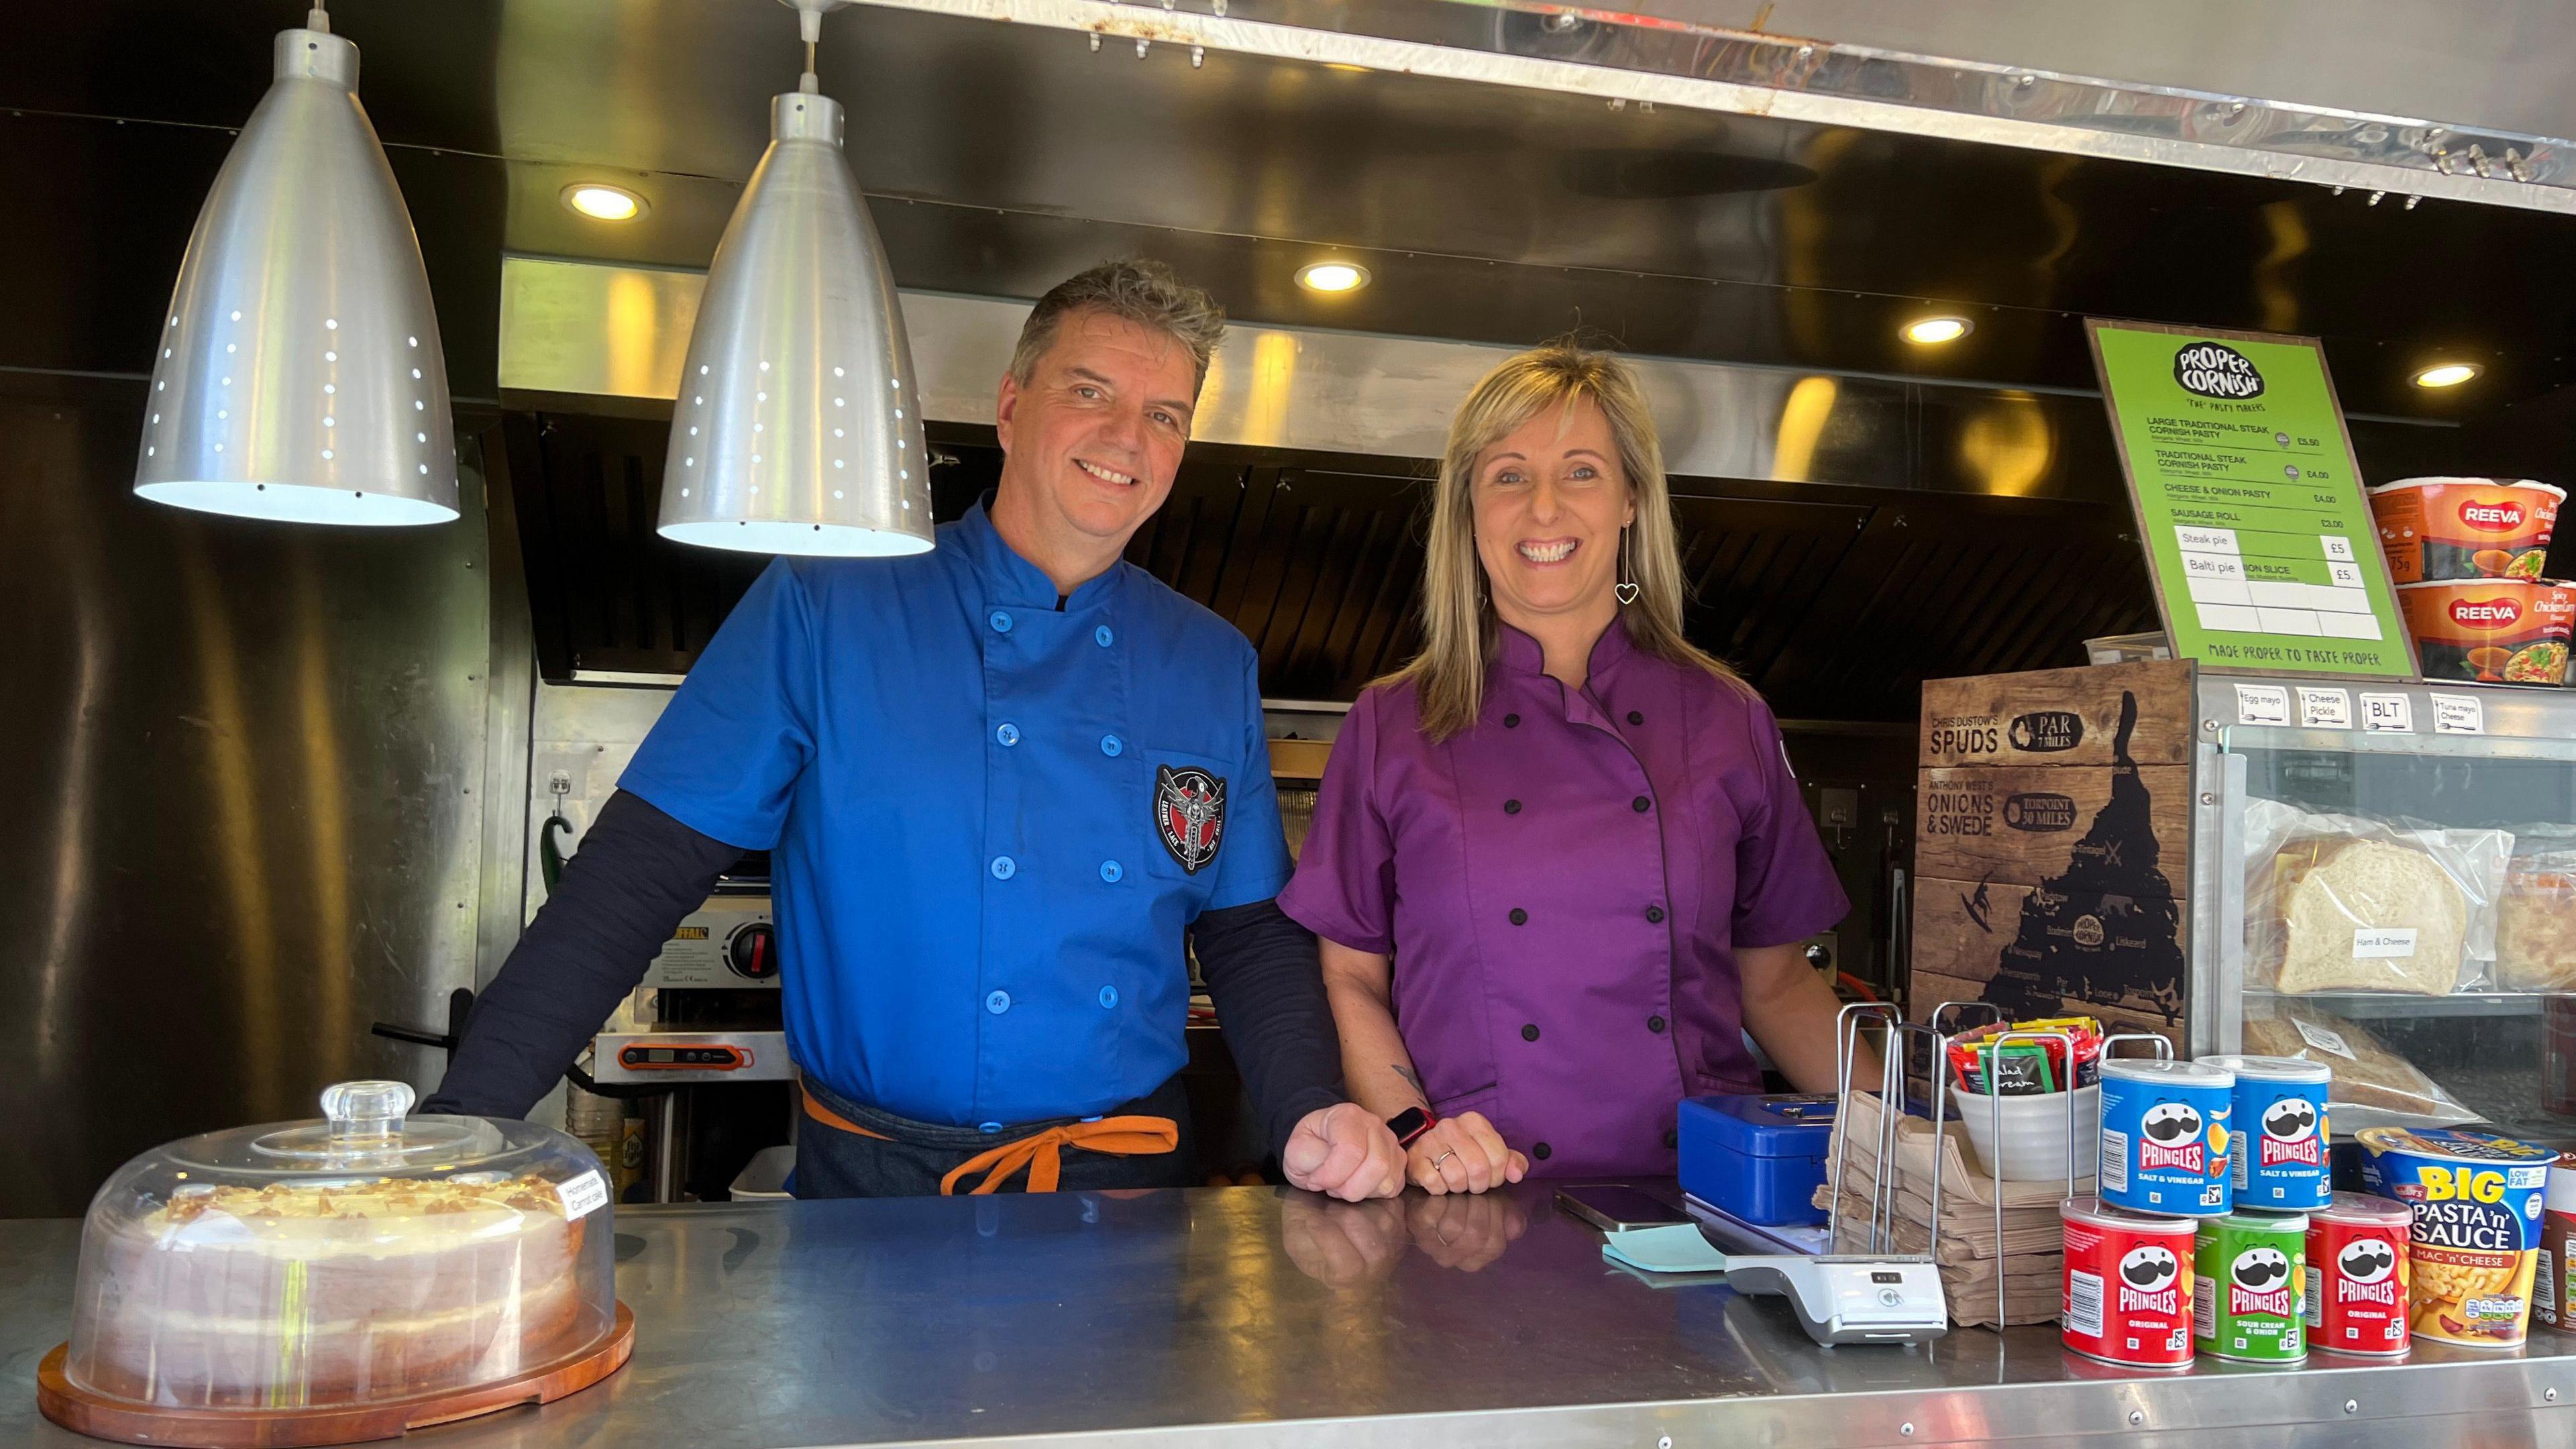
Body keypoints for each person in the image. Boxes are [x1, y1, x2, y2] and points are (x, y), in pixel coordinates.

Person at [427, 260, 1406, 1201]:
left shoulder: (1209, 658)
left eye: (1164, 415)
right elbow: (637, 873)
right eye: (1092, 392)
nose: (1128, 437)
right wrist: (464, 1129)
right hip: (874, 1187)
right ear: (1013, 405)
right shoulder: (828, 602)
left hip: (1125, 1189)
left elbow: (1246, 932)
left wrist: (1309, 1107)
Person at [1278, 341, 1853, 1193]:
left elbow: (1776, 984)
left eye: (1580, 471)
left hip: (1698, 1202)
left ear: (1630, 499)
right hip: (1472, 1198)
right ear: (1469, 509)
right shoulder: (1392, 723)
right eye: (1508, 475)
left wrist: (1910, 1144)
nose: (1543, 508)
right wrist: (1417, 1131)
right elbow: (1351, 975)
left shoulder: (1727, 718)